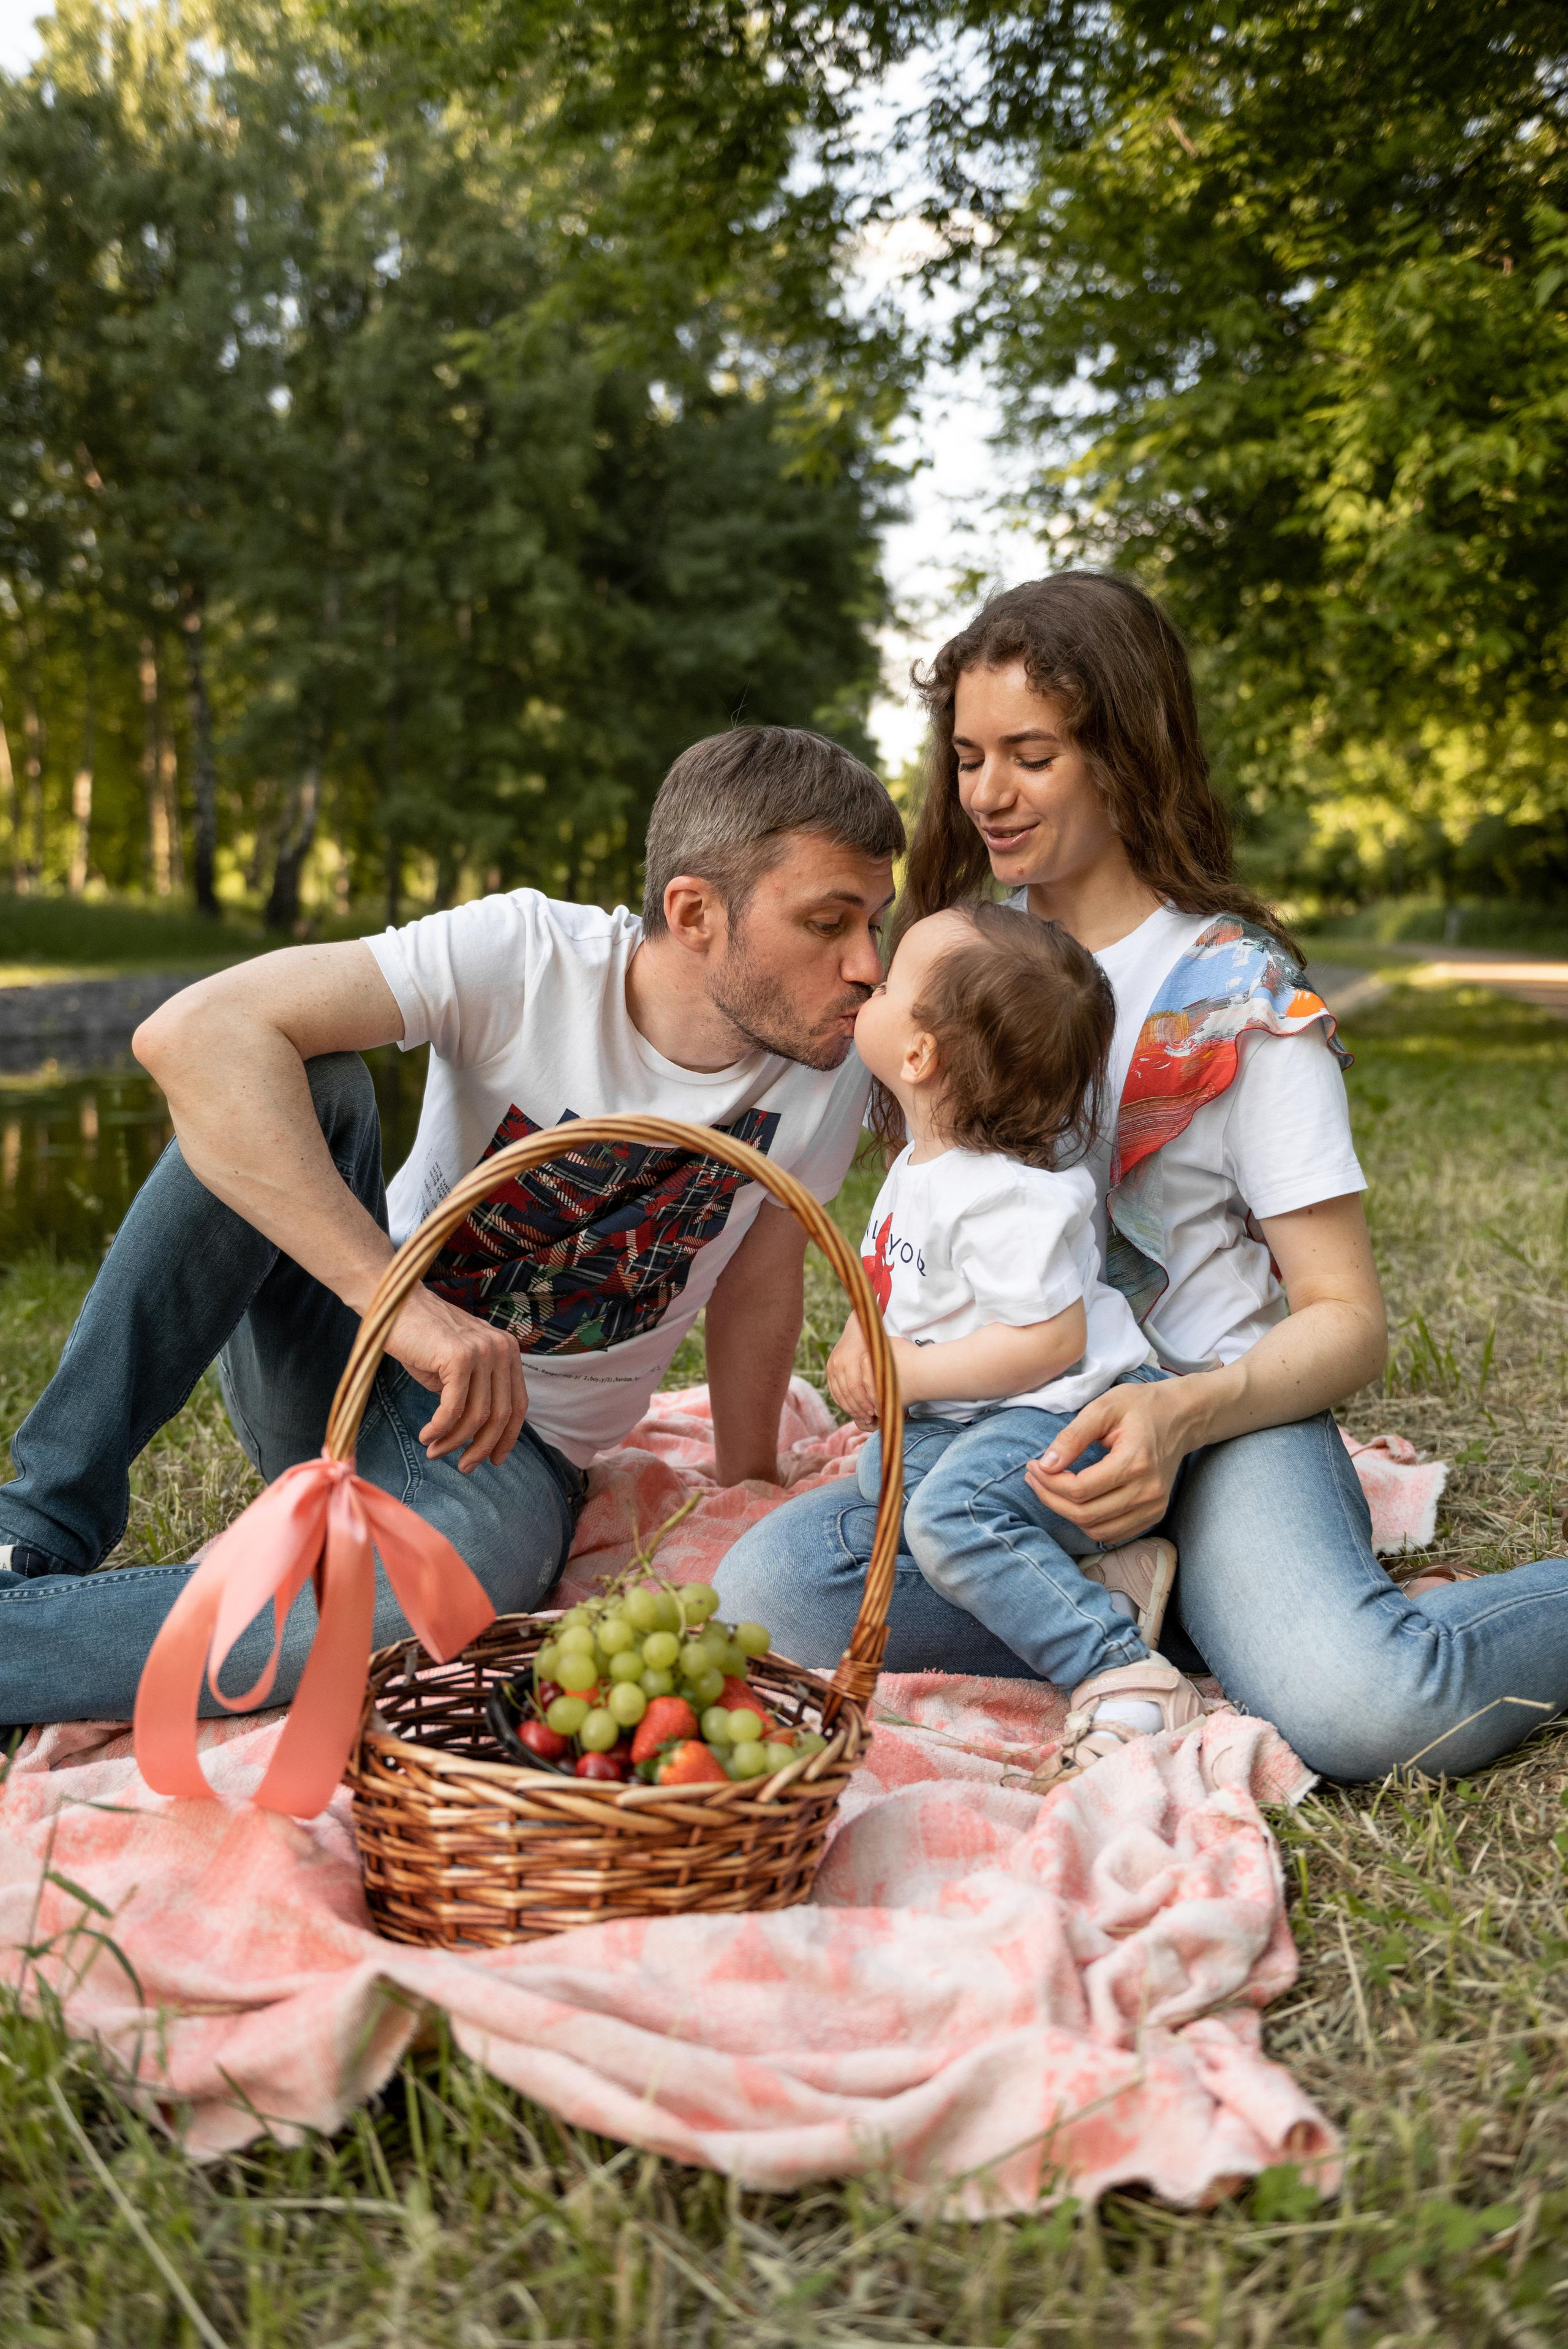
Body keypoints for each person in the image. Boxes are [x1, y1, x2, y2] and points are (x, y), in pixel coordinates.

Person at [715, 573, 1568, 1783]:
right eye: (967, 756)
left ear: (1123, 751)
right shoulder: (956, 963)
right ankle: (1154, 1611)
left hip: (1216, 1427)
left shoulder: (1237, 998)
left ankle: (1245, 1610)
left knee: (1364, 1709)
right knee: (770, 1597)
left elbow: (1346, 1321)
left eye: (1030, 753)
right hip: (1008, 1449)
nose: (987, 793)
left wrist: (1175, 1418)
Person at [0, 725, 903, 1725]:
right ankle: (34, 1530)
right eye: (831, 921)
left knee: (440, 1603)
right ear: (695, 911)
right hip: (345, 1356)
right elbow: (189, 1034)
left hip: (513, 1448)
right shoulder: (526, 956)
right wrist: (404, 1310)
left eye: (876, 922)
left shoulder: (830, 1070)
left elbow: (757, 1277)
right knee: (291, 1074)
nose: (868, 965)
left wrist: (748, 1482)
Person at [832, 899, 1209, 1775]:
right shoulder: (918, 1166)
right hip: (986, 1415)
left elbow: (1049, 1341)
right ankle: (1101, 1575)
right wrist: (864, 1334)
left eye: (886, 985)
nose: (867, 984)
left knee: (949, 1514)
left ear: (919, 1054)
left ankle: (1122, 1668)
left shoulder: (1010, 1195)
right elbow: (887, 1271)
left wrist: (910, 1374)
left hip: (1069, 1412)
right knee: (875, 1473)